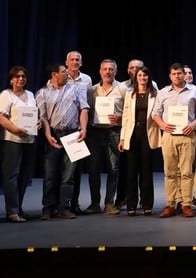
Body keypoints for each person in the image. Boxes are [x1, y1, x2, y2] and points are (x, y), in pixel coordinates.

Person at [37, 62, 90, 220]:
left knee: (69, 175)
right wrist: (48, 135)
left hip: (73, 134)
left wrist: (83, 129)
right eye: (63, 72)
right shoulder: (42, 92)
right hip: (53, 134)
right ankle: (48, 208)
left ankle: (64, 207)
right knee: (50, 175)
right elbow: (43, 117)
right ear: (54, 75)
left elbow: (84, 109)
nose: (67, 74)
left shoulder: (75, 89)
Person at [153, 62, 196, 218]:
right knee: (170, 172)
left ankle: (186, 204)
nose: (177, 76)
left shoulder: (195, 91)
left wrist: (193, 124)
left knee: (186, 172)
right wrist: (163, 125)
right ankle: (170, 205)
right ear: (170, 76)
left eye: (180, 73)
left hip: (188, 135)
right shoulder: (162, 92)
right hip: (169, 137)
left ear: (184, 74)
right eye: (174, 74)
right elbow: (155, 113)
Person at [0, 66, 38, 223]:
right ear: (11, 79)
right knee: (11, 175)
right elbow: (0, 117)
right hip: (11, 140)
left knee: (25, 176)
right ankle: (12, 211)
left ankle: (19, 208)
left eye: (23, 76)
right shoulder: (6, 95)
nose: (21, 79)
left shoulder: (30, 94)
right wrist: (15, 130)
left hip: (29, 140)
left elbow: (34, 115)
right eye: (17, 76)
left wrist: (37, 123)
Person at [85, 58, 126, 215]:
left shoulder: (122, 89)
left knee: (113, 168)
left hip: (114, 131)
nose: (108, 72)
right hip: (95, 132)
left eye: (111, 69)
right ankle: (94, 203)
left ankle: (109, 203)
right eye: (105, 69)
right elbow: (86, 111)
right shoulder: (92, 90)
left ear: (115, 71)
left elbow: (129, 111)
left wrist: (119, 117)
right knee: (93, 168)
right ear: (100, 71)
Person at [118, 65, 160, 216]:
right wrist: (122, 138)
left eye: (145, 75)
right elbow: (125, 118)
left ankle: (147, 204)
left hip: (148, 134)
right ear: (136, 78)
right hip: (132, 134)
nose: (142, 78)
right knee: (131, 172)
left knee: (146, 171)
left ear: (149, 77)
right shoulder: (130, 94)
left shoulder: (155, 94)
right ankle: (131, 205)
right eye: (140, 76)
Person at [64, 50, 93, 215]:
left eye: (77, 60)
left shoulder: (87, 79)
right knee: (61, 171)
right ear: (66, 62)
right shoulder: (60, 76)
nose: (75, 62)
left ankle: (74, 204)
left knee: (76, 171)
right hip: (61, 129)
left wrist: (84, 127)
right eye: (72, 60)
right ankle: (60, 204)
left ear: (81, 63)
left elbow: (86, 104)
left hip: (78, 130)